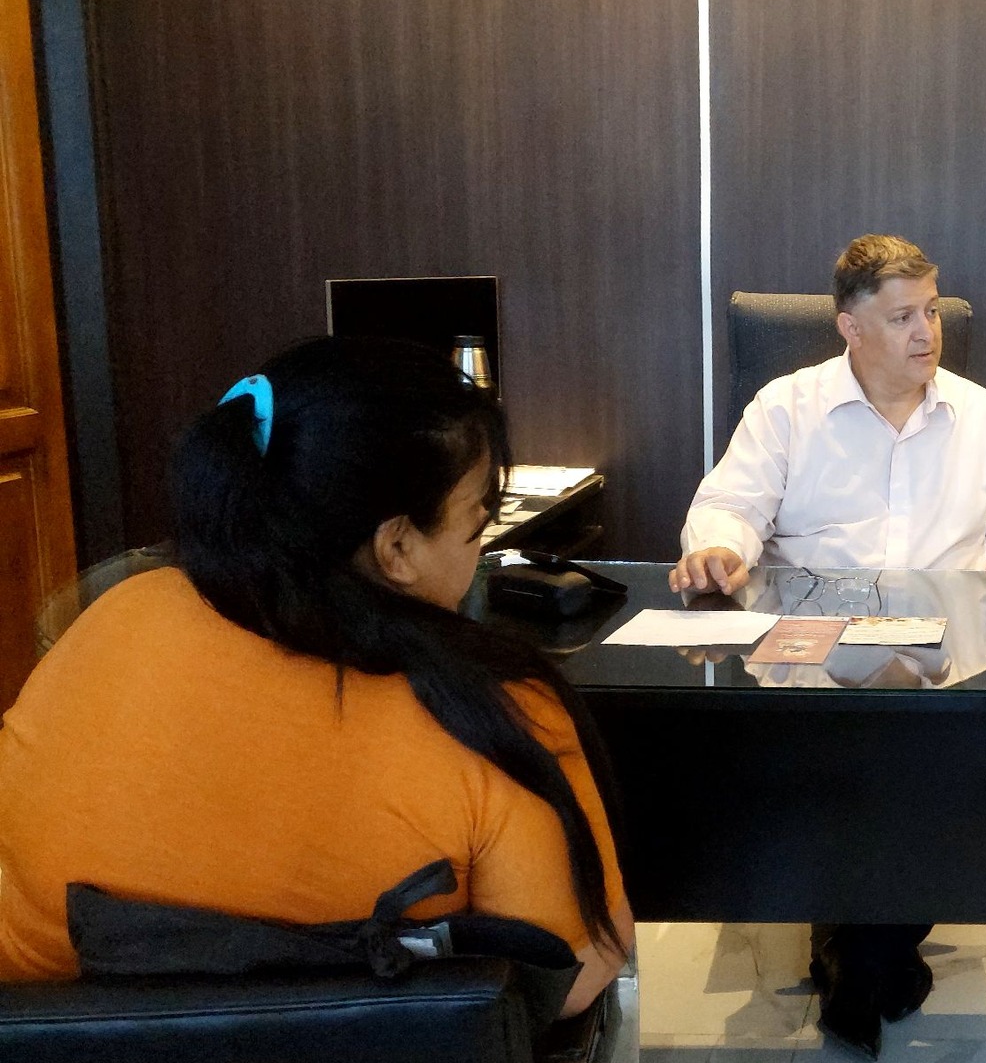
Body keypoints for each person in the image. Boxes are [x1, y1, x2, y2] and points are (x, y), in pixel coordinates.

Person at [0, 337, 633, 1019]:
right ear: (396, 546)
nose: (478, 554)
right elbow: (574, 977)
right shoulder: (492, 713)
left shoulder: (108, 622)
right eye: (476, 527)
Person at [675, 233, 986, 1058]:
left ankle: (854, 955)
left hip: (943, 655)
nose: (926, 332)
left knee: (917, 747)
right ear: (850, 327)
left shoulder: (982, 416)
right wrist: (719, 548)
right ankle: (873, 955)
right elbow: (729, 505)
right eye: (902, 317)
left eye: (931, 311)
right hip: (814, 647)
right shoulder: (786, 407)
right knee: (863, 755)